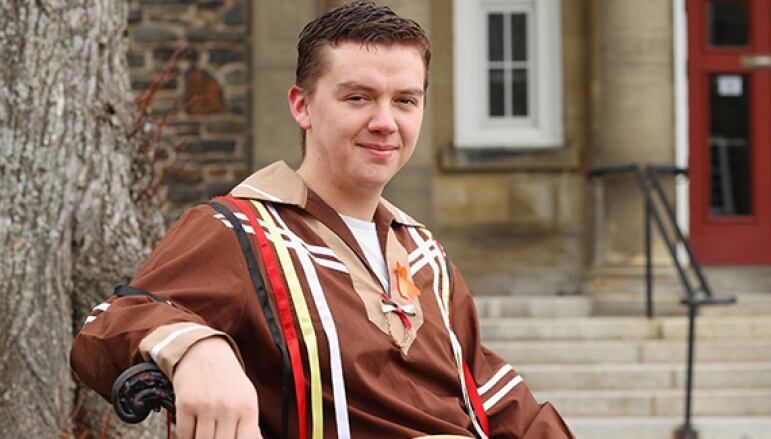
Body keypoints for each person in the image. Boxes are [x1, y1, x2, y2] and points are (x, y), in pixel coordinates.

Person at [70, 2, 574, 438]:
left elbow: (502, 406)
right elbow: (106, 329)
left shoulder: (427, 257)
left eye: (405, 101)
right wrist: (197, 348)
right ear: (302, 106)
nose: (385, 121)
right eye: (358, 98)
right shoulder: (238, 231)